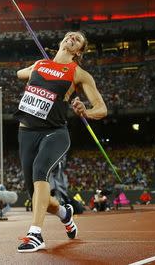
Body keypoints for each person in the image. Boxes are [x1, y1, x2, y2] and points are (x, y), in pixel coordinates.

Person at [15, 31, 107, 252]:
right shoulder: (39, 64)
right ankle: (65, 214)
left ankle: (35, 234)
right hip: (26, 132)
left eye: (78, 40)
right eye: (70, 35)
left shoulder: (79, 74)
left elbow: (101, 108)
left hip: (54, 133)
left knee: (40, 169)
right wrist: (33, 69)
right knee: (38, 196)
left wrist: (86, 111)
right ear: (62, 42)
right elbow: (20, 74)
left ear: (78, 52)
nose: (72, 38)